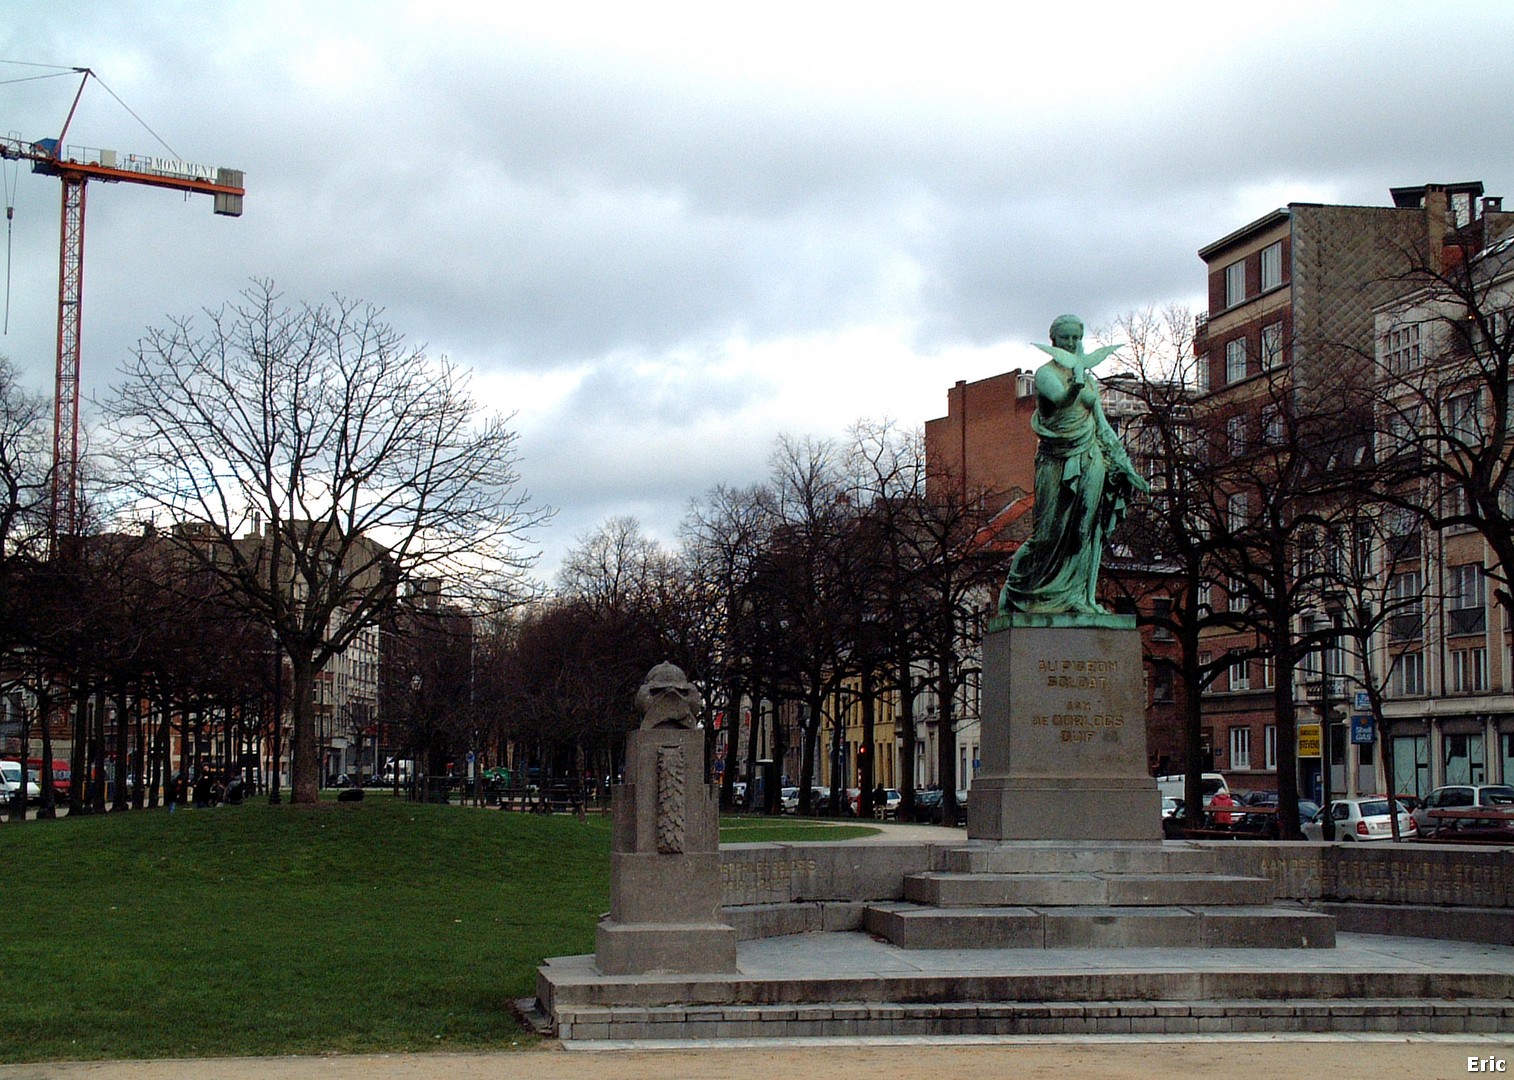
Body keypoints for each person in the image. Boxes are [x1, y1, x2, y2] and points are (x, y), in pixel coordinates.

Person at [999, 314, 1151, 615]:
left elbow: (1102, 426)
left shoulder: (1088, 380)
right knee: (1047, 535)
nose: (1071, 343)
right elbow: (1059, 399)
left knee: (1085, 527)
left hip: (1090, 455)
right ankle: (1017, 592)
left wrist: (1128, 468)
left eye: (1075, 338)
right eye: (1065, 338)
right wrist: (1076, 384)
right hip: (1056, 459)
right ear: (1053, 340)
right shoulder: (1046, 374)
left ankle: (1078, 597)